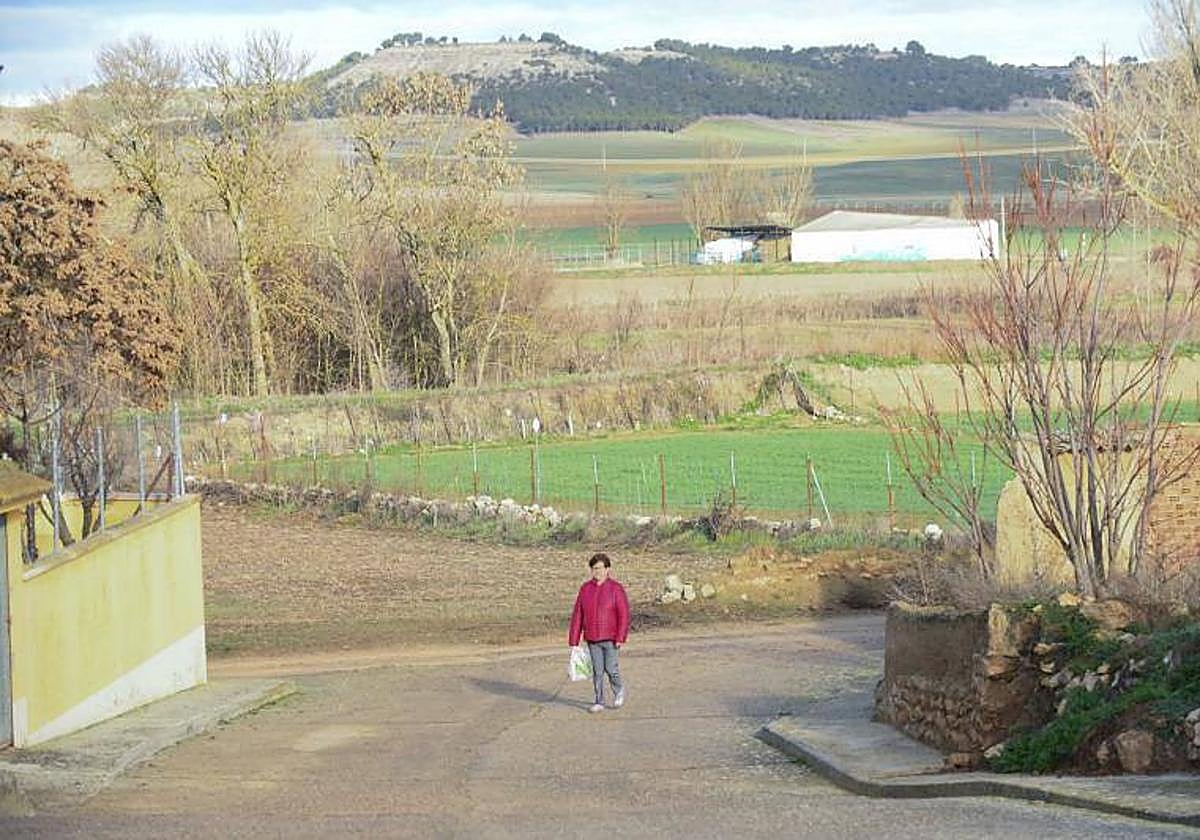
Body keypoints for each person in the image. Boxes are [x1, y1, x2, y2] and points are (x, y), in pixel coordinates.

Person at [568, 553, 630, 713]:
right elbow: (578, 615)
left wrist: (620, 637)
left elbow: (624, 614)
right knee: (597, 671)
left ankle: (619, 691)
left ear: (607, 569)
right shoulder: (585, 589)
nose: (597, 571)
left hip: (611, 638)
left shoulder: (616, 589)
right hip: (592, 638)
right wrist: (574, 641)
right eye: (594, 568)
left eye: (600, 568)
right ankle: (599, 700)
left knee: (611, 668)